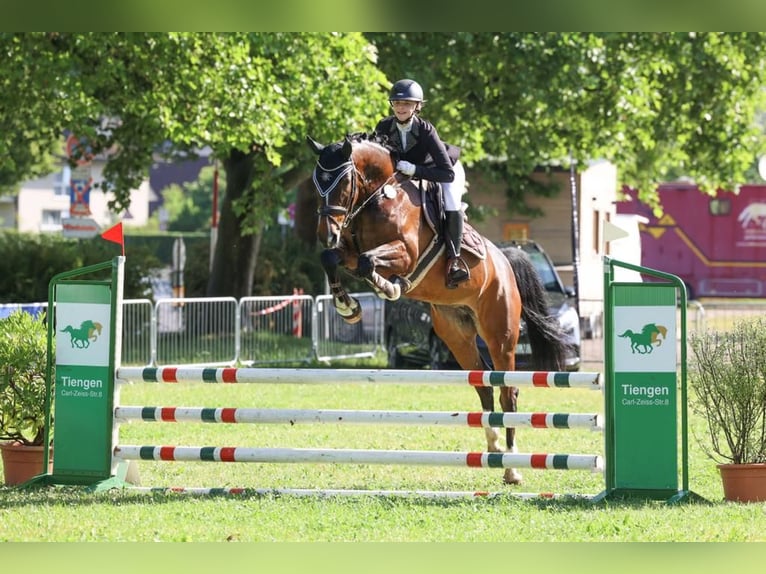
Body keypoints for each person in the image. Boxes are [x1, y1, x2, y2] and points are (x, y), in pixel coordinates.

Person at [374, 78, 469, 289]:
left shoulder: (426, 130)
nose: (401, 108)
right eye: (397, 103)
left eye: (407, 103)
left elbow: (446, 173)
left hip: (444, 170)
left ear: (417, 106)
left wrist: (415, 170)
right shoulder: (383, 126)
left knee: (451, 202)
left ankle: (454, 261)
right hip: (408, 173)